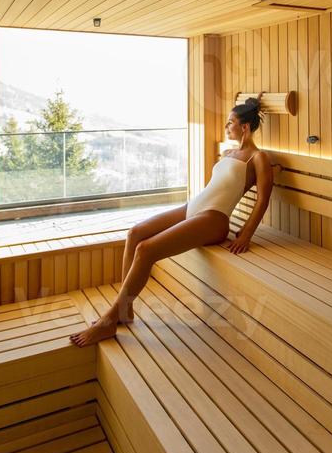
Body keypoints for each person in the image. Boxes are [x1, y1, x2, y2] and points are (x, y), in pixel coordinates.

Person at [69, 96, 273, 347]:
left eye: (230, 123)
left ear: (244, 127)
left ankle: (111, 319)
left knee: (146, 250)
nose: (226, 127)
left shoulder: (258, 158)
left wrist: (246, 234)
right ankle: (125, 310)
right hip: (194, 208)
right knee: (135, 233)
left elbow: (263, 198)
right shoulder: (228, 152)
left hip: (214, 218)